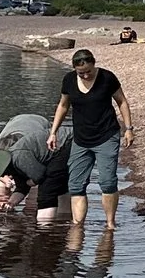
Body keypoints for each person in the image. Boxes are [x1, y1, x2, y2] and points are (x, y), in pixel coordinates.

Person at [47, 48, 135, 230]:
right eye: (81, 73)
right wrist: (53, 132)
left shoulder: (107, 78)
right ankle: (78, 226)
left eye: (89, 71)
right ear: (75, 70)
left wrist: (128, 129)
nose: (85, 75)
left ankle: (110, 224)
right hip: (81, 138)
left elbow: (122, 102)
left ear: (94, 64)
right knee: (76, 184)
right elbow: (63, 105)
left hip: (106, 135)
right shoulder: (69, 80)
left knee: (107, 181)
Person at [0, 111, 69, 228]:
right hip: (16, 123)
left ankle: (46, 223)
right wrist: (10, 202)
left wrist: (30, 182)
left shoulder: (25, 150)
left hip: (47, 131)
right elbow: (20, 184)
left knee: (42, 191)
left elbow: (39, 175)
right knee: (3, 187)